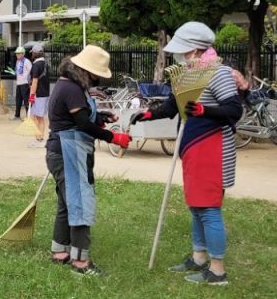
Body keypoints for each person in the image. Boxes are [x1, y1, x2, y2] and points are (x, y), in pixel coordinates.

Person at [131, 21, 243, 286]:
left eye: (183, 50)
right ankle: (198, 256)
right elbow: (173, 106)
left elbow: (234, 110)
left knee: (209, 209)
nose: (178, 55)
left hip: (212, 150)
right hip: (193, 151)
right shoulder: (188, 73)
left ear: (194, 50)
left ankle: (217, 271)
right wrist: (147, 114)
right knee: (196, 207)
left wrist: (205, 111)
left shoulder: (219, 73)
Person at [46, 45, 132, 276]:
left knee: (66, 203)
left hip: (60, 151)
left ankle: (60, 252)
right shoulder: (72, 89)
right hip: (68, 152)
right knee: (80, 204)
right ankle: (80, 263)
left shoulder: (67, 84)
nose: (97, 80)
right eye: (96, 75)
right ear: (86, 71)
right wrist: (113, 137)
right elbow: (82, 124)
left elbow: (80, 118)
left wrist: (101, 117)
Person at [29, 44, 51, 147]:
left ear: (34, 53)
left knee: (38, 118)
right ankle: (39, 137)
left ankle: (40, 139)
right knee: (39, 117)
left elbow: (35, 82)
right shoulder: (45, 64)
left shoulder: (36, 65)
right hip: (45, 93)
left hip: (38, 94)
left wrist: (32, 95)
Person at [13, 47, 32, 121]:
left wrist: (29, 82)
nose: (17, 55)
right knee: (18, 100)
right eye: (16, 53)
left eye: (18, 53)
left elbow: (31, 72)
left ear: (23, 54)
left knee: (26, 100)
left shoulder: (27, 61)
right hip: (19, 83)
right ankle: (17, 115)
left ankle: (28, 116)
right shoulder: (18, 61)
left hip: (25, 83)